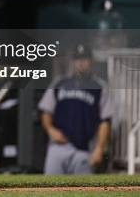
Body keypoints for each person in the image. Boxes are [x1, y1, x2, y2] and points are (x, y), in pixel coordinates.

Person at [38, 44, 113, 174]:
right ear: (73, 61)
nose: (81, 63)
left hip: (84, 149)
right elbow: (46, 110)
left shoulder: (99, 87)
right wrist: (50, 130)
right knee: (50, 191)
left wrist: (99, 149)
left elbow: (105, 120)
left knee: (82, 191)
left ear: (91, 61)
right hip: (58, 148)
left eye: (84, 59)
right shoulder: (60, 83)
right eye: (78, 59)